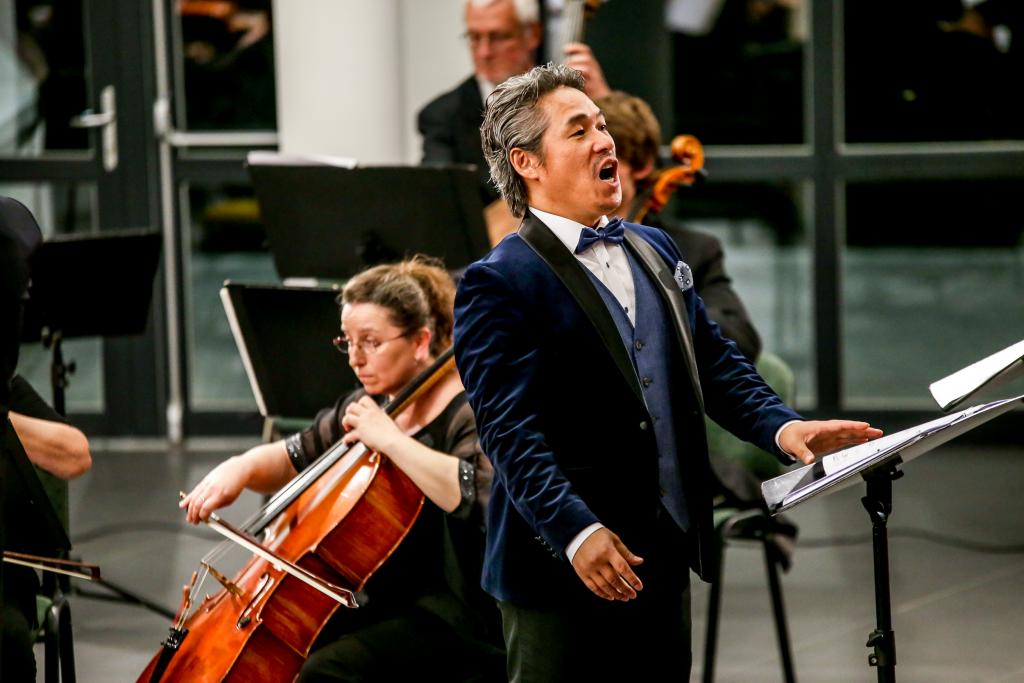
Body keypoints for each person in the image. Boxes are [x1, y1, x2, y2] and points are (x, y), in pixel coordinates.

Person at [453, 63, 883, 680]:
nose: (604, 141)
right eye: (579, 131)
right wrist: (577, 533)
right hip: (559, 567)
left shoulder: (654, 249)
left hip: (662, 549)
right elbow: (509, 435)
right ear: (527, 163)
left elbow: (713, 361)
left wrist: (784, 428)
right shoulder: (497, 282)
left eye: (602, 126)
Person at [181, 256, 503, 682]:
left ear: (421, 341)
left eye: (370, 342)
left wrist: (390, 439)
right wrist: (238, 469)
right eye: (347, 342)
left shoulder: (468, 410)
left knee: (326, 671)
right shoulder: (371, 403)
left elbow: (475, 495)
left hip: (452, 610)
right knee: (292, 647)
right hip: (376, 596)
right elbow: (292, 455)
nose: (355, 359)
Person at [417, 0, 610, 245]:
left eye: (498, 37)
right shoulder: (442, 115)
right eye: (475, 37)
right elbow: (438, 202)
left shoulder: (581, 99)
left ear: (533, 34)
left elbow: (631, 161)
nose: (484, 52)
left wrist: (606, 104)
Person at [596, 89, 762, 362]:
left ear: (641, 166)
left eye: (608, 157)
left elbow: (741, 340)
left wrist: (667, 307)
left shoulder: (693, 250)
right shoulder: (562, 242)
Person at [1, 195, 92, 682]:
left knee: (7, 640)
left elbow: (76, 455)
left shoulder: (7, 385)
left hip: (3, 579)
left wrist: (2, 421)